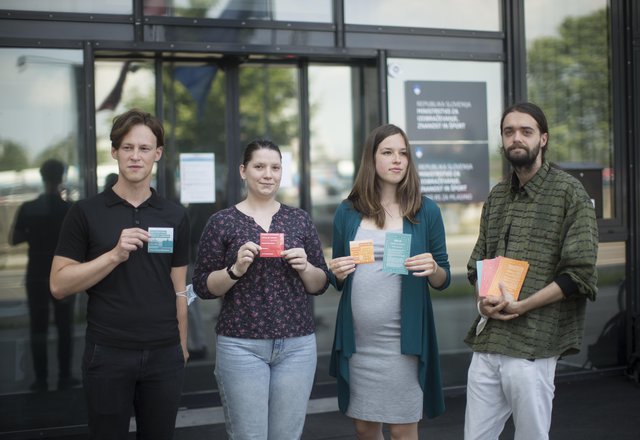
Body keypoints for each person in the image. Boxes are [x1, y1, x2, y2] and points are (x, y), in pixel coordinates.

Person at [50, 108, 190, 439]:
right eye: (127, 147)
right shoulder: (85, 212)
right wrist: (113, 255)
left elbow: (179, 288)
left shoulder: (175, 215)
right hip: (108, 353)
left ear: (157, 154)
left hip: (164, 354)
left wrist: (181, 345)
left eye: (144, 148)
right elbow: (58, 284)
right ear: (114, 152)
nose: (135, 156)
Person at [463, 102, 598, 440]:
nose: (516, 138)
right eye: (509, 132)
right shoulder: (497, 196)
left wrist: (523, 305)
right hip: (489, 338)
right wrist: (482, 300)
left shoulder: (569, 193)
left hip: (534, 344)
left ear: (544, 139)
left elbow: (578, 273)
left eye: (526, 131)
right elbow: (478, 260)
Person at [192, 139, 329, 440]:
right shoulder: (222, 222)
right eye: (259, 167)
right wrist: (235, 270)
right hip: (241, 345)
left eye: (275, 167)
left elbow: (320, 284)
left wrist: (306, 267)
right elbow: (203, 286)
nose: (268, 174)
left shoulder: (299, 219)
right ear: (243, 171)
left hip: (296, 345)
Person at [328, 124, 451, 440]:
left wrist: (433, 267)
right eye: (388, 152)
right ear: (372, 159)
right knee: (364, 428)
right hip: (359, 342)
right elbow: (339, 276)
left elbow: (444, 279)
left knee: (401, 428)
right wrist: (336, 272)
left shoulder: (426, 210)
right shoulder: (347, 211)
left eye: (403, 153)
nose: (397, 160)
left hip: (404, 341)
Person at [8, 159, 77, 392]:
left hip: (36, 273)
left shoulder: (29, 208)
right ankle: (65, 376)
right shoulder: (69, 209)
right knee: (64, 326)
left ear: (41, 176)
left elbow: (14, 238)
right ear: (62, 177)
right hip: (64, 272)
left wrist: (33, 233)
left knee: (38, 328)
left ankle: (40, 379)